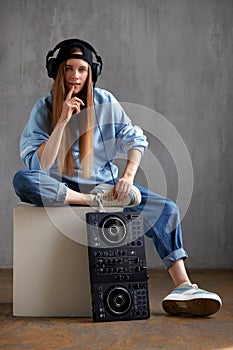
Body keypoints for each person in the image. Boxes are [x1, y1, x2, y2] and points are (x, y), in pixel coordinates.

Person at [13, 38, 222, 317]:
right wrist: (62, 120)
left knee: (167, 208)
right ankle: (92, 200)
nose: (75, 76)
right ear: (57, 71)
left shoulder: (105, 102)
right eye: (69, 69)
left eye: (82, 70)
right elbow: (40, 166)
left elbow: (136, 139)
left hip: (108, 188)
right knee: (23, 180)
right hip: (68, 190)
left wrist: (127, 177)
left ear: (92, 73)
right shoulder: (44, 108)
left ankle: (184, 286)